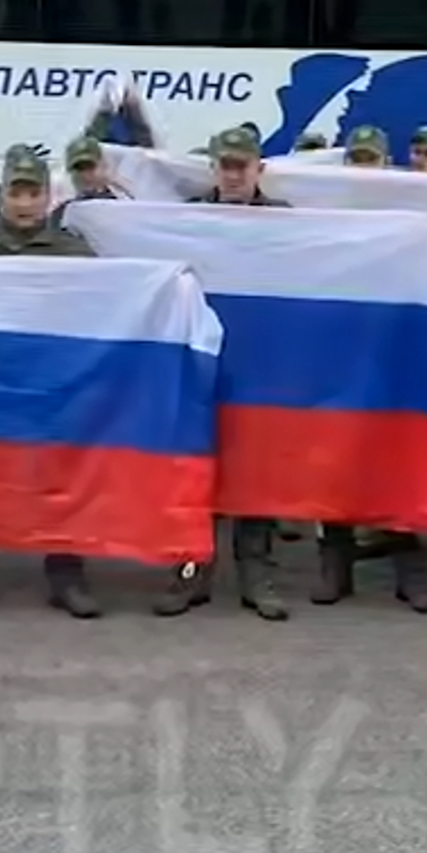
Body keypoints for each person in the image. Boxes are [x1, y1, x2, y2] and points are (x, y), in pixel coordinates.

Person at [0, 147, 104, 620]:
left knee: (60, 476)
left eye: (34, 193)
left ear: (48, 197)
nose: (25, 203)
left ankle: (66, 575)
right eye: (17, 193)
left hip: (54, 384)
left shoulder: (74, 252)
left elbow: (105, 306)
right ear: (3, 197)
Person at [153, 126, 290, 622]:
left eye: (241, 166)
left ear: (259, 168)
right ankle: (191, 569)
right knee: (196, 467)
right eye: (224, 166)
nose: (232, 175)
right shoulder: (187, 219)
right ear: (212, 168)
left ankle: (257, 576)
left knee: (258, 469)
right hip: (204, 361)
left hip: (263, 365)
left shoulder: (289, 223)